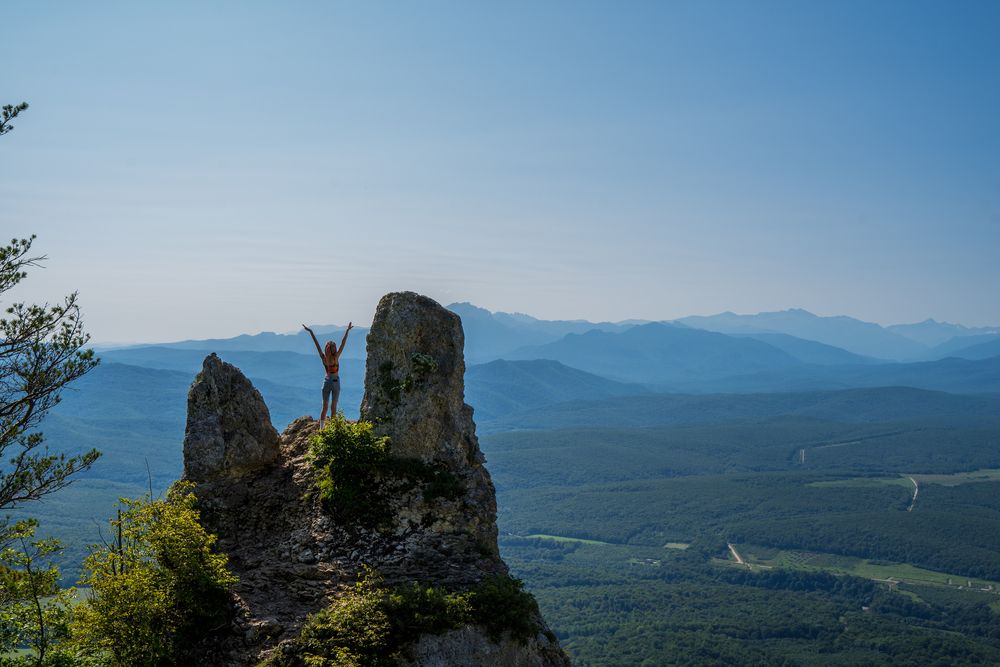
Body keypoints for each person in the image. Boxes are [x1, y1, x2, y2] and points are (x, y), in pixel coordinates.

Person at [303, 322, 353, 427]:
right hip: (334, 382)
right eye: (333, 347)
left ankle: (325, 428)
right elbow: (342, 343)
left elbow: (342, 343)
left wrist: (347, 331)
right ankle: (328, 428)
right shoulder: (332, 357)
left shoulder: (327, 357)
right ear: (331, 349)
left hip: (329, 382)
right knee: (330, 407)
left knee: (328, 407)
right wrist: (347, 331)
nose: (335, 348)